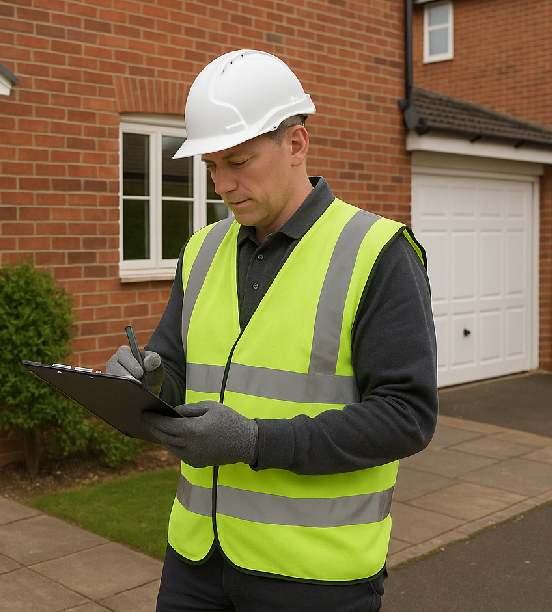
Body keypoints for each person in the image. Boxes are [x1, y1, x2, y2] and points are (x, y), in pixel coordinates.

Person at [106, 49, 437, 612]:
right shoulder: (202, 251)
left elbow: (407, 416)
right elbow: (175, 367)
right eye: (212, 166)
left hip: (314, 575)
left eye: (238, 161)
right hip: (195, 562)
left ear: (296, 144)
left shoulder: (377, 253)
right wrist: (144, 380)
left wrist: (257, 442)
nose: (223, 184)